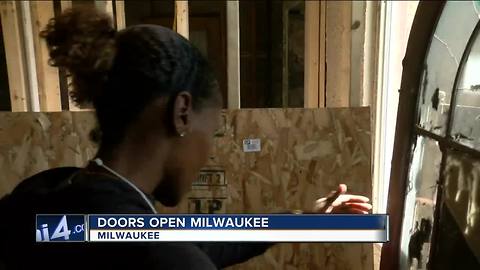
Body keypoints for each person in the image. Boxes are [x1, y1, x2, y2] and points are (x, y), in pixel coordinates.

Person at [0, 8, 371, 270]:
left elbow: (199, 239)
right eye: (211, 131)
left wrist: (304, 220)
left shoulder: (44, 198)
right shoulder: (163, 256)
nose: (206, 151)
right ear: (182, 113)